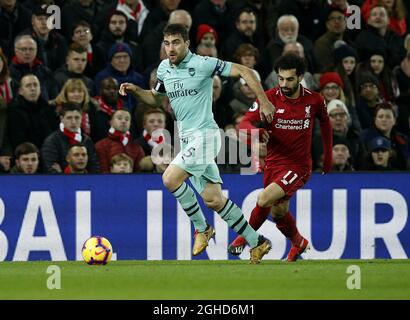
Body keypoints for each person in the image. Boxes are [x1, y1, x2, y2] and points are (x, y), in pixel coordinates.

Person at [119, 23, 274, 264]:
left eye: (176, 42)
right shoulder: (164, 69)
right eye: (167, 43)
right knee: (213, 198)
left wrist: (264, 102)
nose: (171, 48)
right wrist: (136, 90)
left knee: (170, 178)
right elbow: (156, 98)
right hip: (187, 139)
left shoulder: (203, 64)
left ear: (187, 44)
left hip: (205, 135)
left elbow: (246, 71)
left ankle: (202, 229)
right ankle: (258, 242)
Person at [228, 53, 333, 262]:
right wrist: (256, 133)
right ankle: (299, 242)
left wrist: (327, 157)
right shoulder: (268, 98)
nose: (284, 84)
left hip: (299, 166)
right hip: (274, 164)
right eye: (281, 78)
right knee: (278, 212)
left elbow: (326, 125)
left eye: (290, 79)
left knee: (263, 199)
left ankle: (243, 238)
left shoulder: (314, 100)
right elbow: (244, 124)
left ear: (301, 77)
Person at [95, 109, 145, 173]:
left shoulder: (137, 148)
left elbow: (141, 174)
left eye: (127, 119)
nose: (123, 121)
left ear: (130, 124)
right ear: (111, 122)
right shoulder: (101, 145)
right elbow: (102, 171)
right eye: (119, 118)